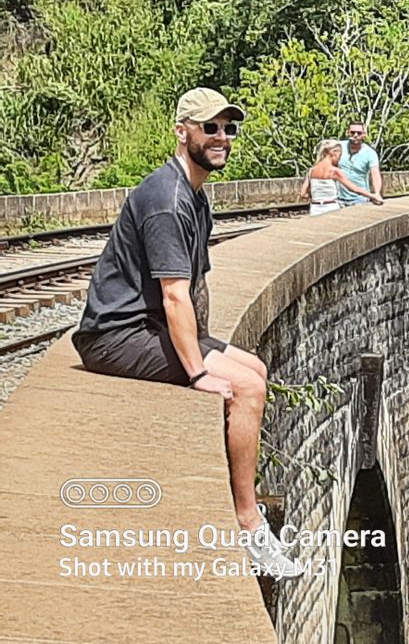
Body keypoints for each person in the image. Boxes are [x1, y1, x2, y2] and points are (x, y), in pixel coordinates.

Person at [72, 87, 301, 578]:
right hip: (114, 335)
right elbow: (174, 296)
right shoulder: (168, 199)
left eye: (227, 128)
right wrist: (198, 372)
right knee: (247, 387)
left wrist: (210, 346)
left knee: (253, 366)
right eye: (209, 128)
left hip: (146, 328)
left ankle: (234, 492)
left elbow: (195, 288)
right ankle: (247, 522)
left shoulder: (194, 194)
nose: (221, 138)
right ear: (183, 132)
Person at [300, 139, 383, 215]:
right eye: (339, 155)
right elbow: (354, 188)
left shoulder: (311, 170)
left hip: (315, 208)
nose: (339, 159)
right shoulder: (334, 171)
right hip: (331, 207)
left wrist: (317, 195)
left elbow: (303, 194)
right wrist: (373, 196)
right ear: (334, 153)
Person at [337, 121, 382, 207]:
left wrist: (377, 193)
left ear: (364, 134)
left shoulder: (370, 153)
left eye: (359, 133)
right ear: (348, 132)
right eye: (352, 132)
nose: (355, 135)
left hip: (360, 198)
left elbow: (375, 174)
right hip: (339, 198)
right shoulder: (339, 147)